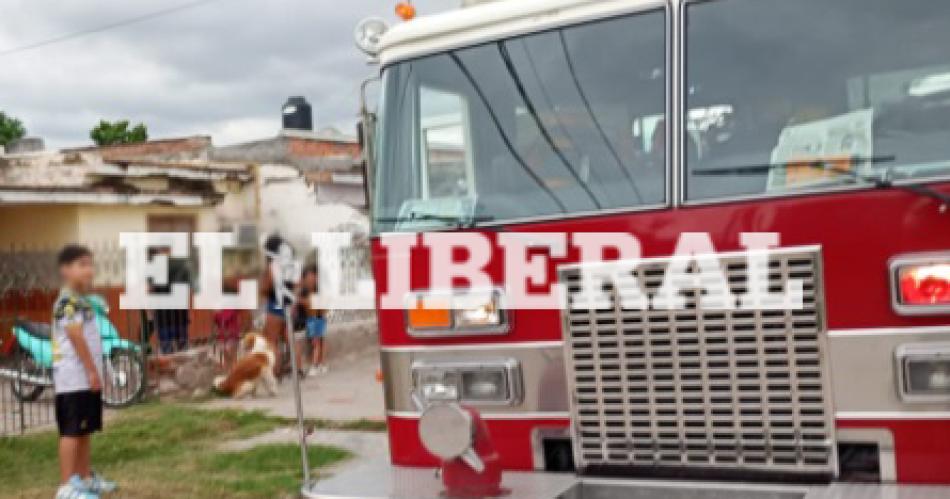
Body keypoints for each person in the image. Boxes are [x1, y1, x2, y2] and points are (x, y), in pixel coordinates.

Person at [52, 245, 117, 498]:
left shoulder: (81, 300)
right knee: (71, 431)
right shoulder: (66, 301)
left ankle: (85, 478)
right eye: (81, 264)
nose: (88, 270)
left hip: (85, 377)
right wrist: (91, 370)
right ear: (65, 270)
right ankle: (67, 486)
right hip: (73, 377)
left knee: (85, 429)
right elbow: (75, 335)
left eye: (90, 264)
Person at [261, 234, 294, 378]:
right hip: (287, 304)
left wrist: (262, 287)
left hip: (275, 304)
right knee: (289, 339)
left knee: (272, 341)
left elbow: (267, 287)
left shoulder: (273, 265)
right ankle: (296, 368)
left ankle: (275, 373)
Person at [150, 247, 191, 354]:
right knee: (182, 349)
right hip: (178, 317)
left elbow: (151, 292)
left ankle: (172, 368)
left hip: (165, 318)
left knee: (167, 350)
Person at [294, 264, 328, 377]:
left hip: (318, 319)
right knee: (316, 343)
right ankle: (318, 364)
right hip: (313, 320)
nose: (312, 279)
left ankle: (318, 365)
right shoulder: (304, 291)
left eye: (314, 277)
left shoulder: (319, 290)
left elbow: (320, 306)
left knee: (318, 343)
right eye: (309, 277)